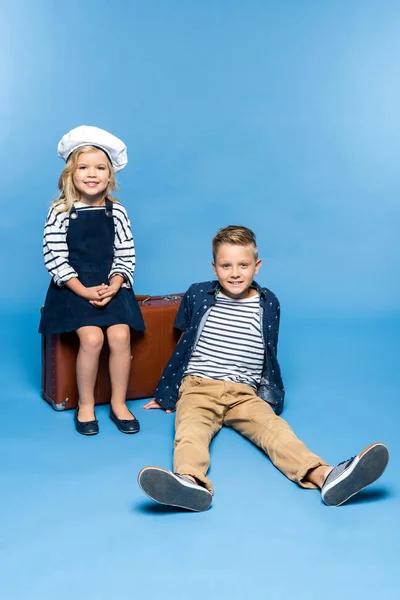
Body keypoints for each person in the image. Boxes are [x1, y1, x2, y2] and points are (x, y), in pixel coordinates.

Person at [137, 225, 389, 510]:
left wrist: (266, 392)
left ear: (257, 266)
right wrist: (167, 392)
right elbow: (182, 342)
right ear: (214, 267)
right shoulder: (197, 294)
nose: (234, 273)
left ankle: (326, 476)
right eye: (226, 265)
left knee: (275, 431)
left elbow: (267, 349)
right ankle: (189, 483)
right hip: (199, 386)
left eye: (243, 265)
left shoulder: (268, 303)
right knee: (190, 432)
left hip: (245, 392)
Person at [39, 125, 145, 436]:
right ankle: (86, 404)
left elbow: (125, 252)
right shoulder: (61, 212)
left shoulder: (118, 212)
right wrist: (82, 289)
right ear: (70, 174)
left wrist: (115, 284)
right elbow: (54, 257)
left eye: (100, 168)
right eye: (83, 167)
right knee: (93, 339)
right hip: (72, 287)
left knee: (120, 337)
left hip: (110, 285)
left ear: (110, 176)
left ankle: (118, 402)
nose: (92, 174)